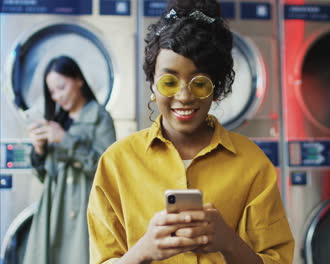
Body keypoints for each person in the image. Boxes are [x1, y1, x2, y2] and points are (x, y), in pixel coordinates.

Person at [87, 0, 294, 263]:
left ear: (216, 88)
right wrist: (143, 251)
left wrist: (228, 241)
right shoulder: (116, 163)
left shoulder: (252, 164)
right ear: (153, 86)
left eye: (199, 83)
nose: (184, 96)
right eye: (169, 81)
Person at [24, 56, 116, 264]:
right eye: (52, 92)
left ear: (78, 80)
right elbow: (43, 176)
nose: (57, 96)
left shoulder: (99, 117)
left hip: (83, 210)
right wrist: (39, 150)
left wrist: (66, 140)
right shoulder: (57, 121)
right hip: (53, 209)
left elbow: (107, 171)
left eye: (61, 87)